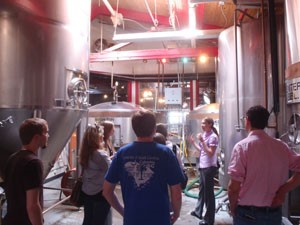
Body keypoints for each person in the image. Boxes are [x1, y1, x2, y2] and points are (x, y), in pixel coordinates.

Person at [103, 110, 185, 225]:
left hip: (132, 219)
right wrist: (176, 213)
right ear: (154, 129)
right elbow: (176, 191)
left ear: (134, 129)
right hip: (160, 218)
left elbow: (107, 191)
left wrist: (123, 212)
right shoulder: (166, 153)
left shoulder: (122, 153)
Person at [227, 105, 300, 225]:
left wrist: (233, 207)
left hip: (247, 214)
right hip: (274, 214)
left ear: (247, 121)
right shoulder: (281, 146)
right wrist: (283, 190)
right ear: (266, 123)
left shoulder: (242, 147)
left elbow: (233, 188)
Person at [3, 118, 49, 225]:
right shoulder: (33, 163)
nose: (48, 136)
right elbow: (32, 205)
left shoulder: (12, 158)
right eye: (46, 132)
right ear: (37, 137)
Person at [80, 125, 112, 225]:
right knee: (100, 221)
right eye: (101, 135)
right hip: (100, 194)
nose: (103, 137)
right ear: (97, 137)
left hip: (87, 192)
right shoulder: (100, 155)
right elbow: (112, 171)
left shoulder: (85, 153)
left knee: (88, 220)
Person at [189, 117, 219, 225]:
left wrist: (202, 141)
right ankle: (198, 212)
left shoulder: (213, 137)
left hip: (209, 167)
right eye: (201, 123)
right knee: (201, 191)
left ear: (210, 124)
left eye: (204, 123)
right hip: (202, 166)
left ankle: (209, 220)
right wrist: (193, 143)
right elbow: (202, 150)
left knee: (208, 194)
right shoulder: (205, 135)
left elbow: (210, 153)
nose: (202, 125)